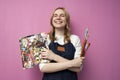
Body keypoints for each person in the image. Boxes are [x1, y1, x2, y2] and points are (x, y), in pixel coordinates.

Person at [39, 7, 85, 80]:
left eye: (62, 15)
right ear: (52, 20)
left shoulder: (75, 39)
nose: (58, 18)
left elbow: (78, 68)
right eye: (55, 15)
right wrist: (72, 63)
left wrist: (54, 56)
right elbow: (43, 67)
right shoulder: (45, 38)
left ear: (67, 20)